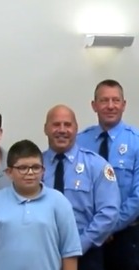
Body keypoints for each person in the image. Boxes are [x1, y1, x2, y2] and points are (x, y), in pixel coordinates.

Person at [0, 139, 82, 270]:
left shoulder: (59, 202)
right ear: (9, 172)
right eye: (23, 168)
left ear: (43, 171)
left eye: (36, 167)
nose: (30, 173)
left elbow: (69, 252)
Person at [42, 104, 121, 270]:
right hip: (43, 254)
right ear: (46, 129)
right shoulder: (35, 166)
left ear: (76, 129)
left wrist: (77, 246)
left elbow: (109, 212)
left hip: (86, 254)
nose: (62, 130)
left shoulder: (96, 165)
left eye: (68, 125)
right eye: (56, 125)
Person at [76, 79, 139, 270]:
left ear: (124, 105)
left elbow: (138, 196)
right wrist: (95, 231)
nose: (110, 106)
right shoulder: (79, 142)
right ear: (94, 105)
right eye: (104, 101)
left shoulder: (136, 141)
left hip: (125, 236)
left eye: (115, 100)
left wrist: (109, 226)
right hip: (87, 237)